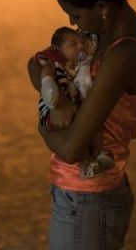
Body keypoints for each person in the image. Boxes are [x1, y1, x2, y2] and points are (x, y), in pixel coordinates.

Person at [27, 0, 136, 250]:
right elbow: (38, 60)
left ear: (101, 7)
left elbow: (72, 148)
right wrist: (52, 90)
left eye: (75, 14)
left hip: (89, 200)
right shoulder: (99, 33)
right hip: (84, 196)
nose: (71, 23)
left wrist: (42, 127)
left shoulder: (122, 54)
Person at [35, 26, 115, 178]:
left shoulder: (85, 60)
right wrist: (49, 86)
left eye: (82, 42)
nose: (81, 46)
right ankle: (86, 164)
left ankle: (98, 154)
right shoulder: (57, 62)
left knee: (94, 125)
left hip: (80, 104)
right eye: (73, 44)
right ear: (58, 50)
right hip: (58, 109)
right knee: (77, 132)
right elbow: (41, 67)